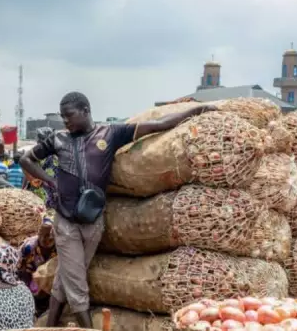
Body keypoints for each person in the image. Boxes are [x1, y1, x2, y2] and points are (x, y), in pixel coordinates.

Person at [19, 92, 216, 328]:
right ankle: (87, 327)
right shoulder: (58, 139)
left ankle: (50, 325)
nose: (65, 121)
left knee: (68, 274)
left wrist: (196, 111)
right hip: (66, 222)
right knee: (77, 281)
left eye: (69, 115)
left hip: (93, 221)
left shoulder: (110, 134)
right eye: (62, 117)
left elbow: (158, 125)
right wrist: (51, 181)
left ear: (85, 110)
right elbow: (26, 159)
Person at [17, 216, 58, 316]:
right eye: (44, 236)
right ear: (38, 234)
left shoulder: (58, 248)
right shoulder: (28, 247)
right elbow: (20, 270)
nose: (47, 239)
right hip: (29, 278)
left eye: (50, 236)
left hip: (49, 283)